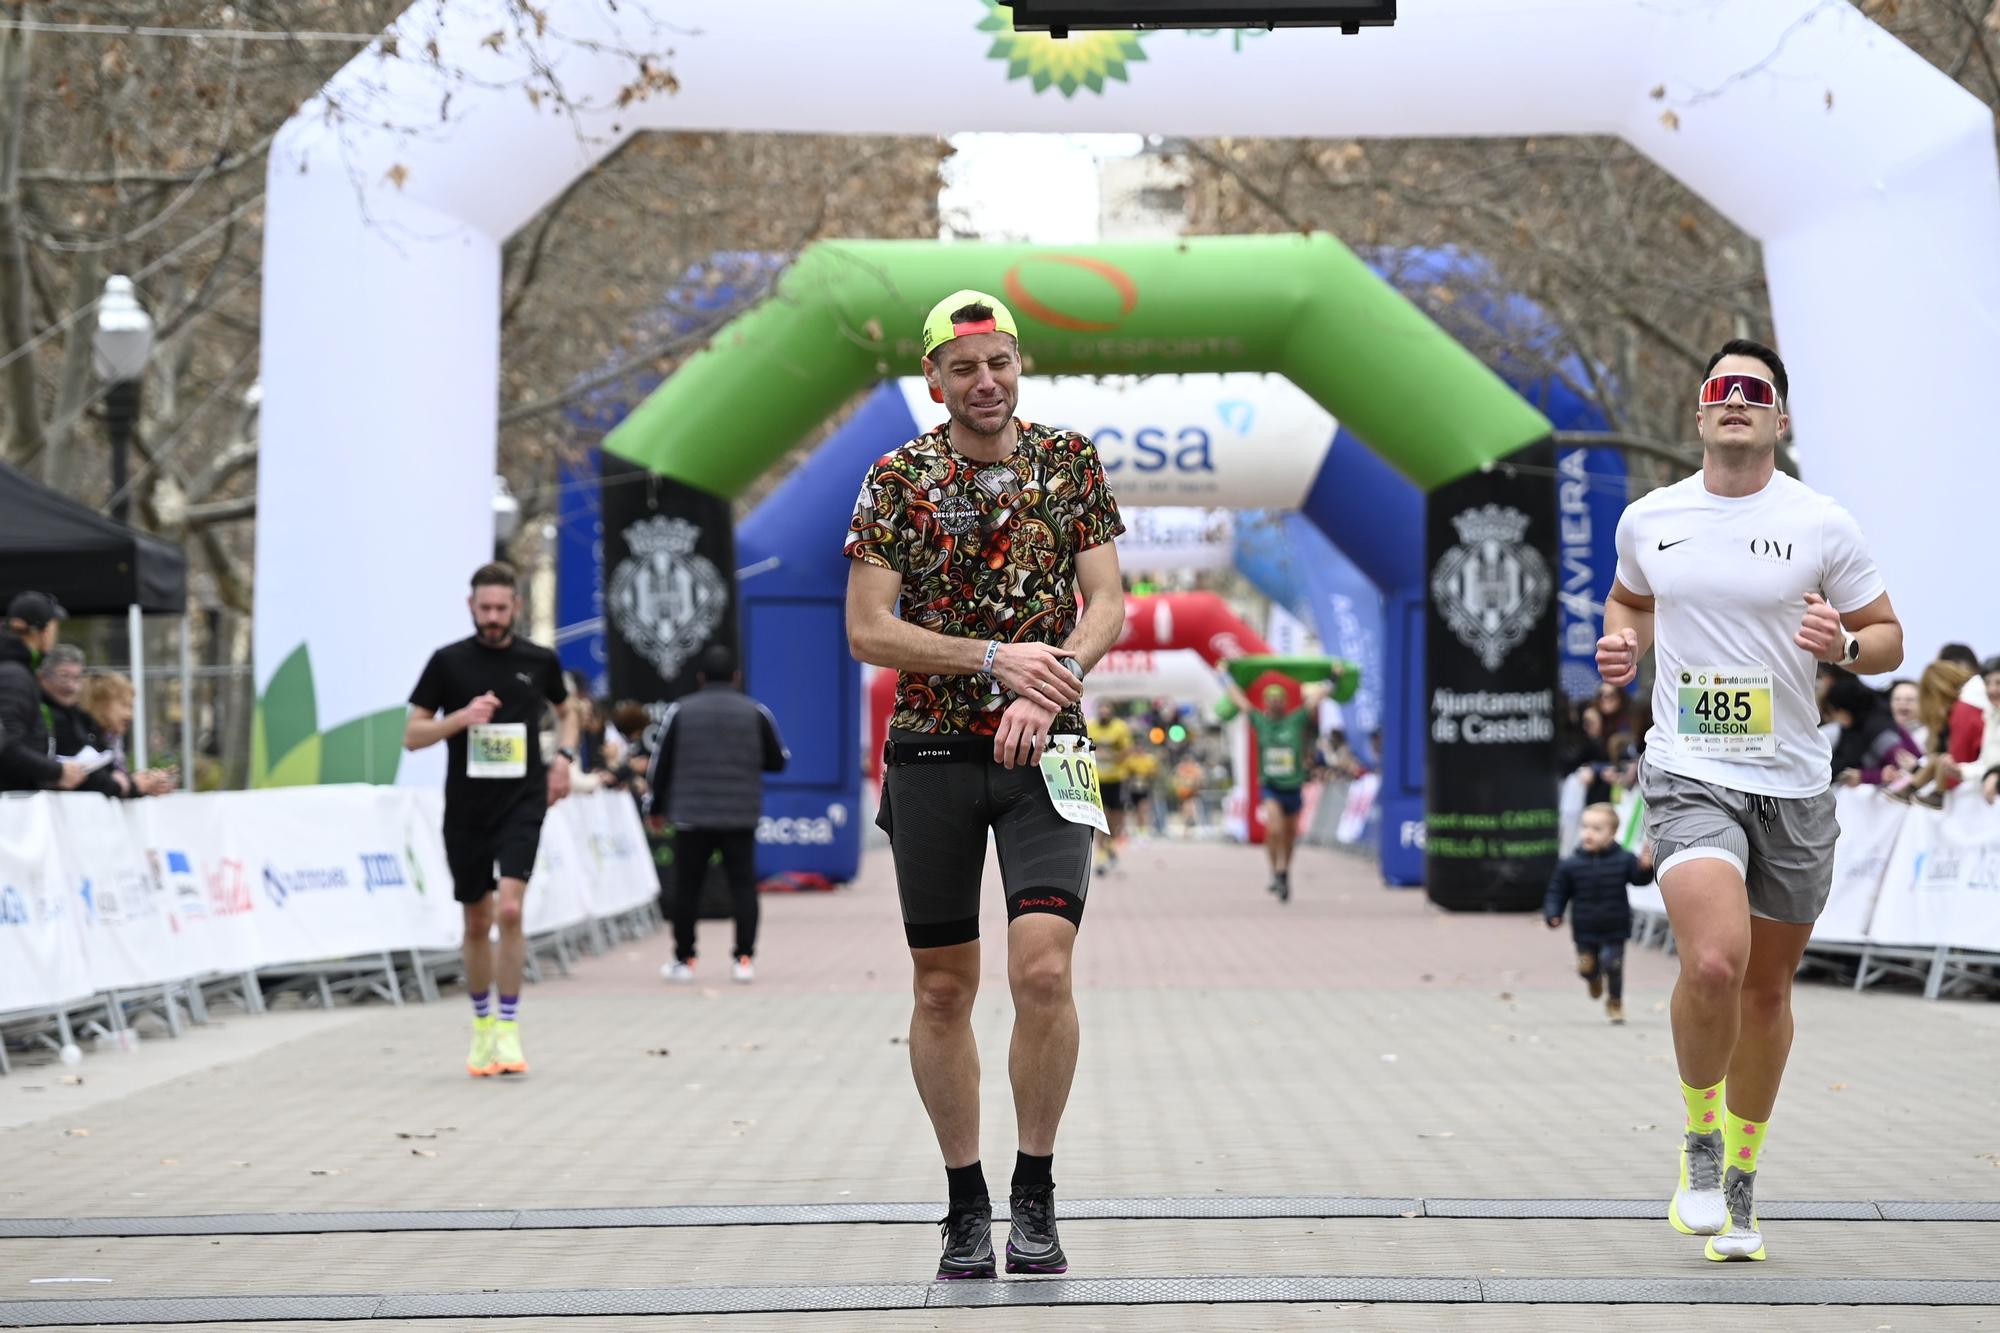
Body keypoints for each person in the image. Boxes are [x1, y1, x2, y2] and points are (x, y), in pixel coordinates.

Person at [1599, 338, 1901, 1263]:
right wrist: (1620, 646)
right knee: (1719, 963)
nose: (1735, 401)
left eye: (1754, 391)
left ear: (1779, 419)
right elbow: (1630, 602)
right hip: (1689, 767)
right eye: (1720, 389)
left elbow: (1887, 635)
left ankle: (1741, 1180)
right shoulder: (1651, 518)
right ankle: (1697, 1145)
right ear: (1699, 414)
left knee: (1768, 991)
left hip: (1794, 781)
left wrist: (1842, 646)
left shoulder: (1821, 522)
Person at [845, 288, 1124, 1281]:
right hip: (930, 749)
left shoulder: (1070, 461)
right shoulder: (895, 479)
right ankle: (964, 1204)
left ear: (1019, 366)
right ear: (933, 381)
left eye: (998, 361)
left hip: (1049, 749)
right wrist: (990, 658)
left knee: (1043, 970)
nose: (984, 381)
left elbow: (1107, 601)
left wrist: (1050, 680)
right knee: (940, 985)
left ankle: (1034, 1193)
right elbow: (867, 628)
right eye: (962, 367)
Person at [404, 562, 575, 1079]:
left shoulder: (538, 660)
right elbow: (412, 735)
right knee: (477, 920)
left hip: (522, 801)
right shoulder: (448, 663)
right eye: (486, 610)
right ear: (471, 607)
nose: (494, 619)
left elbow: (569, 710)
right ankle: (481, 1030)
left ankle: (508, 1025)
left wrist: (564, 758)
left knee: (511, 909)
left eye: (503, 609)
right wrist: (460, 718)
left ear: (517, 607)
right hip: (467, 808)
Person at [646, 643, 789, 985]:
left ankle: (684, 959)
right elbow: (778, 761)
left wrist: (655, 808)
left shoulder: (679, 711)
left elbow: (659, 767)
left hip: (691, 816)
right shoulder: (755, 712)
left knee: (687, 889)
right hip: (739, 815)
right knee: (742, 887)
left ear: (700, 678)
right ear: (736, 677)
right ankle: (743, 959)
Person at [1544, 802, 1654, 1023]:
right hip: (1585, 928)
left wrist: (1645, 867)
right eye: (1585, 827)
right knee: (1586, 968)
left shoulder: (1623, 859)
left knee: (1612, 964)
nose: (1588, 833)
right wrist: (1553, 912)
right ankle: (1592, 979)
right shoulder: (1570, 864)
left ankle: (1615, 1002)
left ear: (1613, 832)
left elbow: (1638, 880)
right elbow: (1557, 891)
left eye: (1597, 829)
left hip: (1615, 925)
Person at [1226, 677, 1333, 903]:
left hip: (1293, 786)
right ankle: (1275, 871)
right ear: (1265, 703)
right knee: (1274, 830)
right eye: (1271, 699)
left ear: (1284, 702)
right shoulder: (1260, 722)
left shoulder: (1295, 721)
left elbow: (1315, 700)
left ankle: (1285, 872)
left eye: (1278, 699)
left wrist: (1333, 679)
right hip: (1271, 786)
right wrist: (1225, 675)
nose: (1274, 703)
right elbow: (1240, 700)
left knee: (1289, 836)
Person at [41, 649, 174, 797]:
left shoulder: (110, 740)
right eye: (124, 705)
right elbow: (101, 780)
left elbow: (116, 781)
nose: (130, 715)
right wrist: (133, 786)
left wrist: (143, 783)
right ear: (101, 704)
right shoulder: (81, 733)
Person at [0, 593, 89, 794]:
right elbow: (7, 746)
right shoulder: (14, 675)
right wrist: (56, 772)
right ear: (45, 630)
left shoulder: (17, 670)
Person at [1889, 659, 1982, 808]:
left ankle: (1930, 792)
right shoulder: (1971, 698)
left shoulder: (1963, 709)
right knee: (1939, 758)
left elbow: (1959, 759)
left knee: (1942, 759)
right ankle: (1917, 790)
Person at [1825, 675, 1917, 790]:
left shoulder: (1880, 730)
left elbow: (1901, 768)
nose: (1835, 717)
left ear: (1845, 710)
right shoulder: (1856, 726)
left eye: (1835, 711)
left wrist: (1865, 777)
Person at [1085, 701, 1135, 875]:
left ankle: (1111, 845)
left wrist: (1112, 755)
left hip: (1117, 779)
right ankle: (1101, 855)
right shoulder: (1091, 727)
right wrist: (1096, 754)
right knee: (1100, 819)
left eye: (1107, 712)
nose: (1104, 715)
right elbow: (1083, 747)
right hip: (1097, 779)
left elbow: (1128, 750)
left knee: (1117, 817)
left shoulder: (1120, 728)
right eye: (1101, 712)